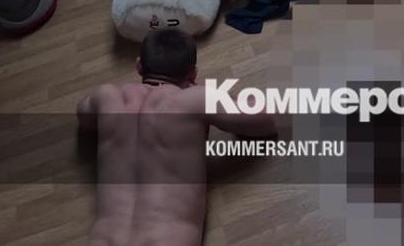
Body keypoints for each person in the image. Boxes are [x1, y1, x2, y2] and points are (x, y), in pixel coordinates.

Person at [77, 29, 276, 246]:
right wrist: (219, 97)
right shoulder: (195, 99)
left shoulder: (106, 96)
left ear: (139, 66)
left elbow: (83, 116)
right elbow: (267, 121)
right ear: (192, 74)